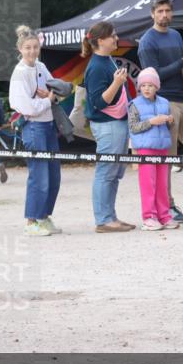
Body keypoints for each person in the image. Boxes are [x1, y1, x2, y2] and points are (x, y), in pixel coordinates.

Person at [137, 0, 183, 223]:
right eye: (160, 11)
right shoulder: (147, 41)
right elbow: (153, 77)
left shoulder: (176, 35)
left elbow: (182, 68)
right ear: (152, 14)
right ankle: (167, 206)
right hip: (163, 102)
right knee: (167, 157)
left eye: (167, 11)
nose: (164, 15)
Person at [8, 25, 62, 237]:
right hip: (33, 127)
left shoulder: (41, 66)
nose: (32, 51)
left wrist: (49, 96)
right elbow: (26, 107)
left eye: (35, 47)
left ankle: (44, 216)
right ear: (20, 49)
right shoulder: (19, 73)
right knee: (39, 175)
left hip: (49, 125)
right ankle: (31, 221)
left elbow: (55, 88)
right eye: (28, 47)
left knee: (54, 175)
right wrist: (48, 100)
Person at [81, 20, 134, 233]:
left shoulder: (107, 60)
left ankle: (110, 217)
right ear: (101, 41)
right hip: (107, 125)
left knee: (114, 173)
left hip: (116, 124)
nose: (116, 38)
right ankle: (103, 219)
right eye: (113, 35)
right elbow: (98, 102)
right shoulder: (96, 67)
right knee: (106, 172)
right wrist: (117, 83)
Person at [128, 68, 179, 231]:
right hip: (145, 149)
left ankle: (164, 216)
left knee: (162, 184)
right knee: (148, 184)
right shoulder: (134, 104)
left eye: (150, 85)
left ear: (157, 86)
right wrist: (151, 122)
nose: (146, 88)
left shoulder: (165, 102)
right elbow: (133, 127)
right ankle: (149, 217)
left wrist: (170, 121)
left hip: (162, 148)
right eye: (143, 85)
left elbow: (169, 127)